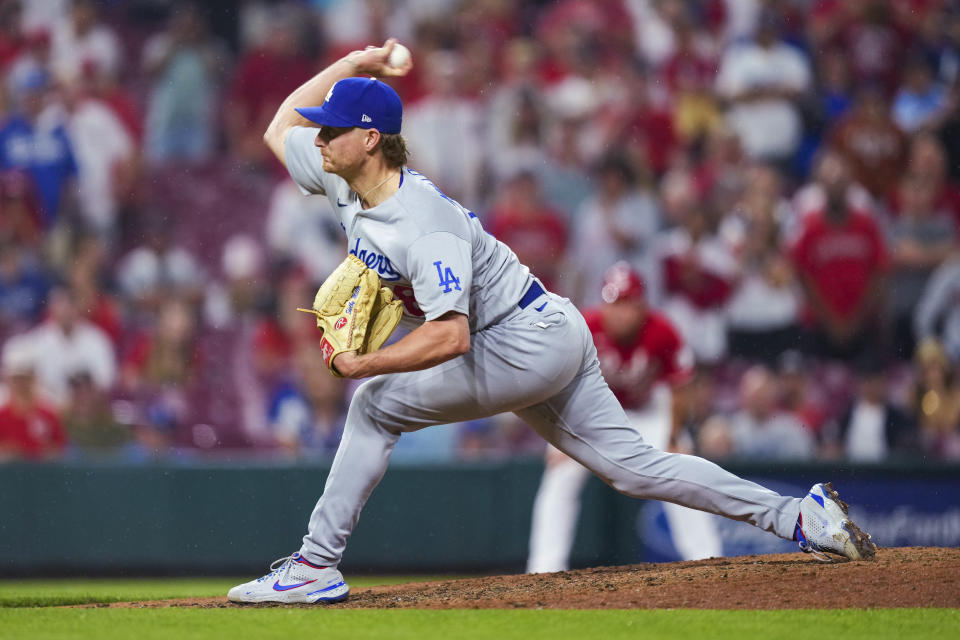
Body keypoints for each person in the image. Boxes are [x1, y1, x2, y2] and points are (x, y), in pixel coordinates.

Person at [227, 40, 876, 605]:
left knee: (373, 403)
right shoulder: (345, 178)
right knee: (638, 468)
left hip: (517, 339)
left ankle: (315, 565)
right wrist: (355, 64)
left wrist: (364, 364)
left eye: (332, 129)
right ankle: (802, 515)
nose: (318, 138)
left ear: (369, 140)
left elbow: (451, 336)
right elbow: (277, 126)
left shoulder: (422, 224)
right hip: (546, 329)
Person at [526, 262, 721, 573]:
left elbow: (680, 388)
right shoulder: (583, 325)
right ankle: (543, 567)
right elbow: (555, 383)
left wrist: (673, 437)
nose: (619, 312)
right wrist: (559, 439)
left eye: (627, 304)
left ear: (641, 305)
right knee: (560, 474)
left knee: (682, 467)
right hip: (589, 416)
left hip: (645, 413)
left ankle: (706, 558)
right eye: (613, 303)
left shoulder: (662, 329)